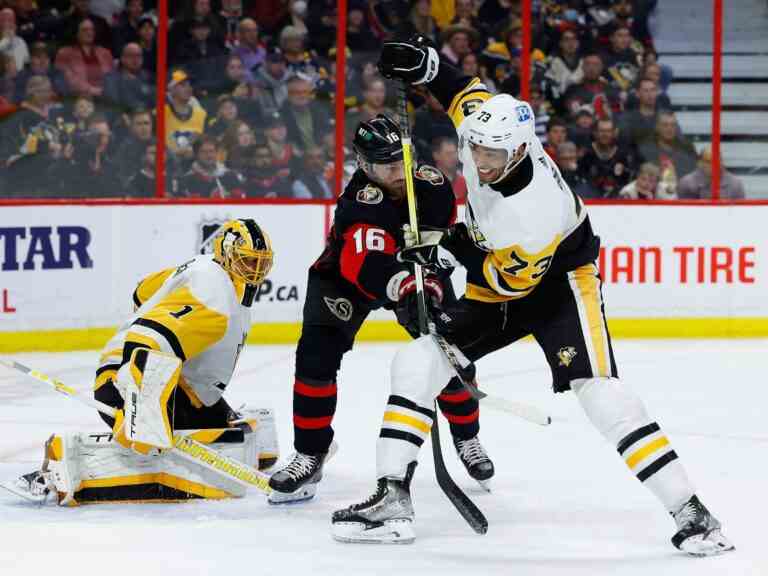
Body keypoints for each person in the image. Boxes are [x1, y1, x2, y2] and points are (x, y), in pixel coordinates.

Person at [329, 36, 735, 557]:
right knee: (417, 360)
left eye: (491, 153)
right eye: (473, 147)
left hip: (559, 284)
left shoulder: (532, 211)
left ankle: (692, 513)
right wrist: (427, 65)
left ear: (520, 149)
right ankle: (392, 498)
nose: (479, 159)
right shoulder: (489, 132)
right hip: (501, 268)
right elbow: (463, 91)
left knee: (601, 392)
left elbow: (505, 282)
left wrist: (442, 257)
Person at [267, 115, 495, 504]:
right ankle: (310, 452)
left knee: (452, 355)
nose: (398, 171)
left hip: (414, 276)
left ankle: (468, 438)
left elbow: (444, 245)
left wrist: (432, 280)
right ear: (364, 166)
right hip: (343, 282)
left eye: (401, 160)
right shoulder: (358, 202)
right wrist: (404, 285)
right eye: (387, 166)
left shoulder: (434, 187)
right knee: (314, 359)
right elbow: (365, 265)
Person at [6, 219, 279, 505]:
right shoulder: (215, 295)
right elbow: (145, 339)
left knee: (237, 439)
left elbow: (142, 292)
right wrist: (142, 408)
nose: (254, 271)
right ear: (225, 253)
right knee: (156, 451)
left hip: (172, 383)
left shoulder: (204, 269)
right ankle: (70, 462)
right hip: (125, 379)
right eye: (246, 261)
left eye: (260, 263)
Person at [579, 117, 634, 199]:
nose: (605, 134)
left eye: (608, 131)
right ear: (595, 132)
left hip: (617, 201)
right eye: (601, 131)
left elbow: (629, 180)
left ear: (614, 132)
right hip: (590, 200)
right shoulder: (586, 153)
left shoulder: (623, 154)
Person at [677, 147, 745, 201]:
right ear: (700, 163)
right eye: (709, 162)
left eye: (718, 160)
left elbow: (740, 211)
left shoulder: (735, 183)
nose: (714, 165)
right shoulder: (686, 183)